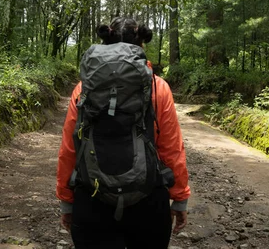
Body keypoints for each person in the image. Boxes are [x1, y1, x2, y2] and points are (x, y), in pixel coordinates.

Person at [56, 16, 190, 249]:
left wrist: (67, 201)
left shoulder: (83, 89)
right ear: (140, 47)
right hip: (148, 199)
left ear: (106, 42)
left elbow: (70, 148)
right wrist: (179, 197)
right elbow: (171, 148)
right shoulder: (158, 87)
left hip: (92, 196)